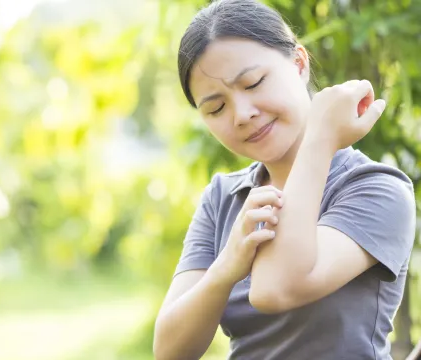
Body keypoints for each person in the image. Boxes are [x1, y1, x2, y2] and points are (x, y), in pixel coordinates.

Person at [153, 0, 417, 359]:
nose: (242, 114)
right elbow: (170, 350)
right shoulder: (223, 197)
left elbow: (273, 290)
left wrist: (321, 137)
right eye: (216, 108)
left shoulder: (376, 188)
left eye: (254, 82)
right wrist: (226, 267)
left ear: (299, 63)